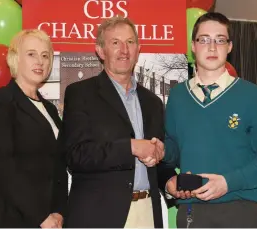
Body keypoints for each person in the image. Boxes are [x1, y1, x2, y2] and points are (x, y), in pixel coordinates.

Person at [164, 12, 257, 228]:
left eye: (220, 40)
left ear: (229, 47)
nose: (212, 47)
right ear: (193, 45)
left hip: (240, 211)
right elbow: (172, 151)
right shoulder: (177, 96)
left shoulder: (251, 95)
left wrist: (228, 182)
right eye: (204, 39)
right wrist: (159, 151)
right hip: (191, 211)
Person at [60, 16, 175, 228]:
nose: (124, 50)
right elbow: (75, 155)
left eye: (130, 42)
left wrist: (164, 167)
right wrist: (131, 147)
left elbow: (157, 163)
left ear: (138, 49)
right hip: (98, 216)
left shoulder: (153, 102)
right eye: (115, 43)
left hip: (148, 212)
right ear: (100, 51)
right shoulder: (80, 93)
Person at [0, 29, 68, 228]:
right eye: (31, 54)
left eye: (45, 56)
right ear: (15, 58)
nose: (40, 61)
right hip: (8, 219)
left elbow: (58, 166)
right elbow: (3, 166)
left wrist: (59, 211)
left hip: (49, 220)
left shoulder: (50, 109)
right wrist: (41, 217)